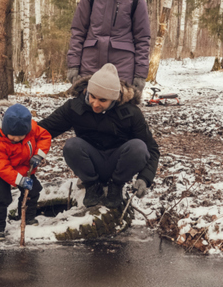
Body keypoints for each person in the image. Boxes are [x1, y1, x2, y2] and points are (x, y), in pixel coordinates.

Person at [39, 63, 159, 209]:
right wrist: (13, 131)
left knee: (139, 147)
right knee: (71, 145)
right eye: (92, 97)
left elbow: (151, 148)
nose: (95, 104)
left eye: (103, 100)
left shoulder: (130, 112)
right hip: (90, 162)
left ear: (114, 99)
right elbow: (44, 129)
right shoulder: (75, 107)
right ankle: (92, 186)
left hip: (119, 163)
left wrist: (145, 178)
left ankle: (116, 187)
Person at [66, 0, 151, 97]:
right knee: (87, 110)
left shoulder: (136, 0)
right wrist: (73, 66)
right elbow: (78, 33)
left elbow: (142, 40)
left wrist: (140, 75)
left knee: (119, 114)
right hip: (90, 65)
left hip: (122, 68)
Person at [0, 101, 51, 241]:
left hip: (25, 168)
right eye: (13, 136)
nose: (17, 139)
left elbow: (45, 137)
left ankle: (28, 217)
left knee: (33, 190)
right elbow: (2, 167)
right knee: (1, 197)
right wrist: (20, 180)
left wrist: (39, 154)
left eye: (21, 137)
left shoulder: (32, 128)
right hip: (0, 173)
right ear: (5, 129)